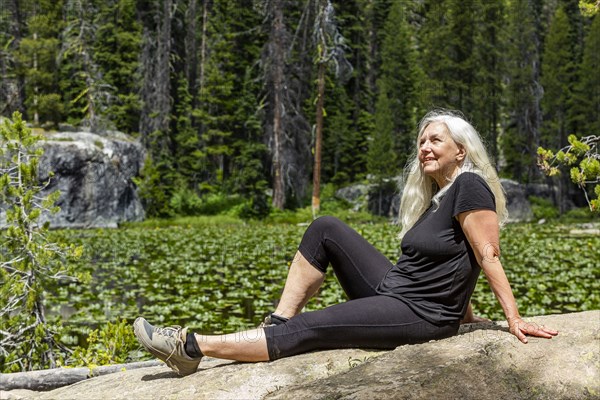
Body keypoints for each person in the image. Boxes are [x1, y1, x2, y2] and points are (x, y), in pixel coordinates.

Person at [133, 110, 558, 377]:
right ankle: (277, 325)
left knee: (313, 328)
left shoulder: (470, 185)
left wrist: (512, 318)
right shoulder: (440, 197)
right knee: (326, 226)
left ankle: (190, 347)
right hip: (398, 290)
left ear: (461, 152)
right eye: (422, 141)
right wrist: (466, 313)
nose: (425, 148)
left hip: (418, 313)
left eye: (436, 140)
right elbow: (451, 260)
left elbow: (485, 254)